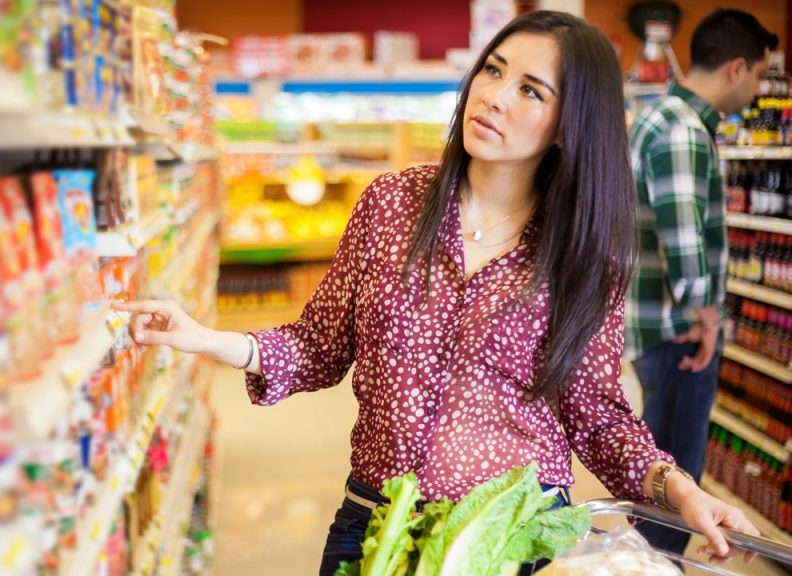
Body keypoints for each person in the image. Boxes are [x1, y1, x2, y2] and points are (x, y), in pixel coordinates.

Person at [116, 10, 759, 575]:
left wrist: (680, 490)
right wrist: (204, 337)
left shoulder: (584, 254)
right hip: (375, 523)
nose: (496, 97)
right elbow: (317, 345)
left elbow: (594, 411)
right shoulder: (393, 202)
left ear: (569, 125)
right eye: (494, 71)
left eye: (531, 90)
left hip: (512, 536)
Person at [625, 9, 777, 559]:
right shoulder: (684, 130)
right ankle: (653, 569)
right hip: (678, 335)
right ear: (736, 68)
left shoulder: (656, 116)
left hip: (654, 325)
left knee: (656, 473)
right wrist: (707, 322)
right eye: (760, 75)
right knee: (675, 481)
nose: (760, 90)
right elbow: (684, 242)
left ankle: (644, 565)